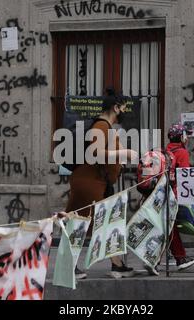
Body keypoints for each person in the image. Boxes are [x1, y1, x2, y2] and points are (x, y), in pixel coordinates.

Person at [65, 87, 138, 280]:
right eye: (123, 108)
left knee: (105, 222)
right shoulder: (101, 126)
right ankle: (68, 267)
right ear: (116, 108)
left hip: (97, 183)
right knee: (80, 225)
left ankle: (117, 265)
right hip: (89, 183)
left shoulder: (107, 128)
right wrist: (125, 154)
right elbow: (95, 153)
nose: (125, 112)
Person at [145, 123, 194, 275]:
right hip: (173, 195)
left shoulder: (165, 151)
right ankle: (155, 260)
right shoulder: (182, 152)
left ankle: (179, 259)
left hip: (159, 194)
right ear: (182, 137)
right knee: (167, 228)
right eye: (186, 135)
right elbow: (185, 175)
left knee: (168, 227)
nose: (187, 138)